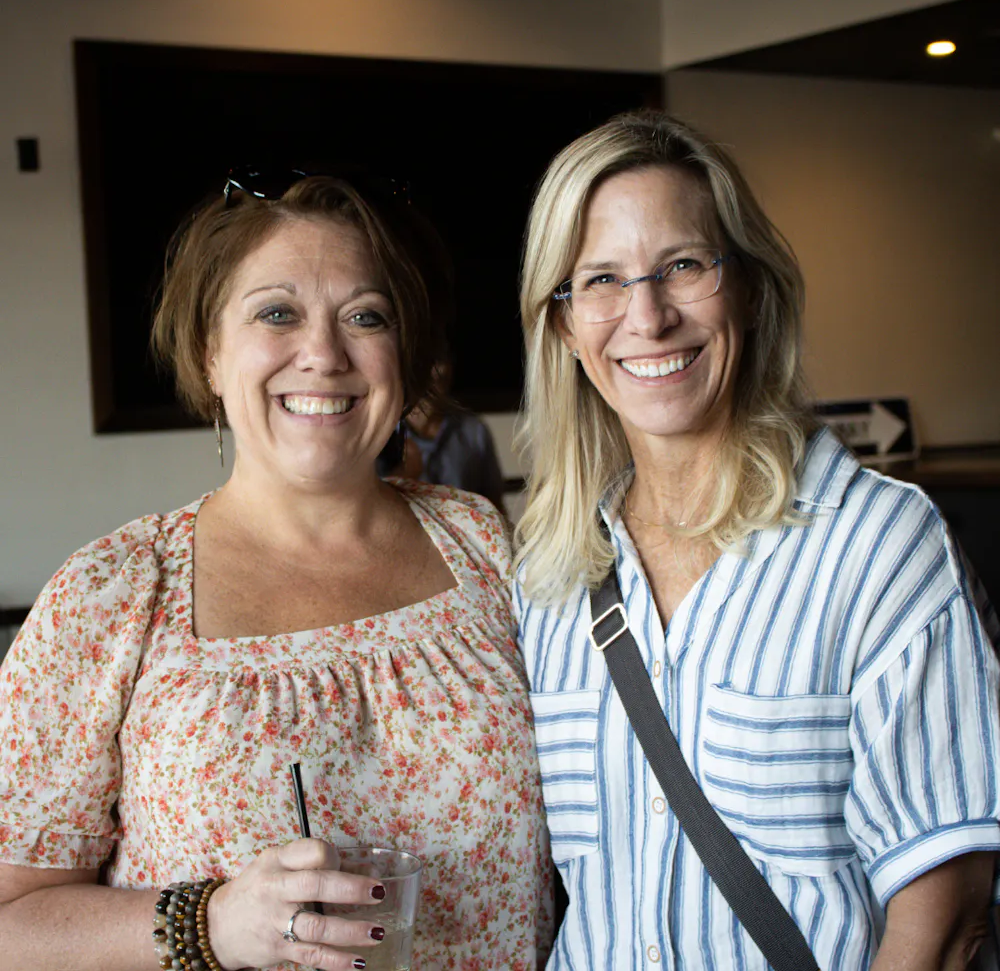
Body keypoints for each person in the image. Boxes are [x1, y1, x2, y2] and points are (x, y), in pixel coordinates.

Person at [0, 171, 552, 971]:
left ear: (405, 357)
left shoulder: (486, 550)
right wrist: (211, 923)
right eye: (277, 314)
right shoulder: (111, 595)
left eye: (366, 317)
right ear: (210, 356)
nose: (324, 355)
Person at [513, 110, 1000, 970]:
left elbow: (944, 928)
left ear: (750, 287)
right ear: (562, 326)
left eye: (683, 266)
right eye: (601, 280)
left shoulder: (878, 545)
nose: (648, 316)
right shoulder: (548, 571)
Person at [380, 358, 507, 513]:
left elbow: (495, 505)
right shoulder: (381, 434)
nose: (438, 370)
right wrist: (402, 476)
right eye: (428, 359)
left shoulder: (474, 431)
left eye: (442, 359)